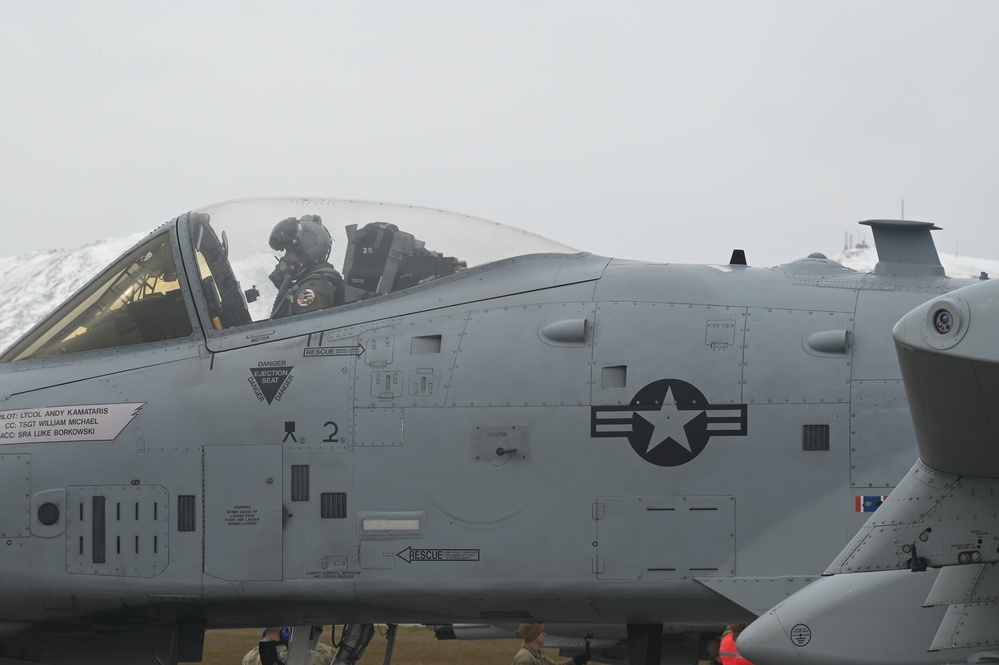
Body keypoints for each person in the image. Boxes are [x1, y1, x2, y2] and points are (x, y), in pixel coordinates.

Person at [268, 215, 344, 318]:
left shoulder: (311, 289)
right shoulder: (319, 280)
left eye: (289, 251)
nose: (285, 257)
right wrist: (282, 282)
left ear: (308, 250)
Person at [512, 624, 590, 665]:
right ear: (535, 634)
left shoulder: (538, 655)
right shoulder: (525, 658)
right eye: (543, 631)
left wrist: (576, 660)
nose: (545, 634)